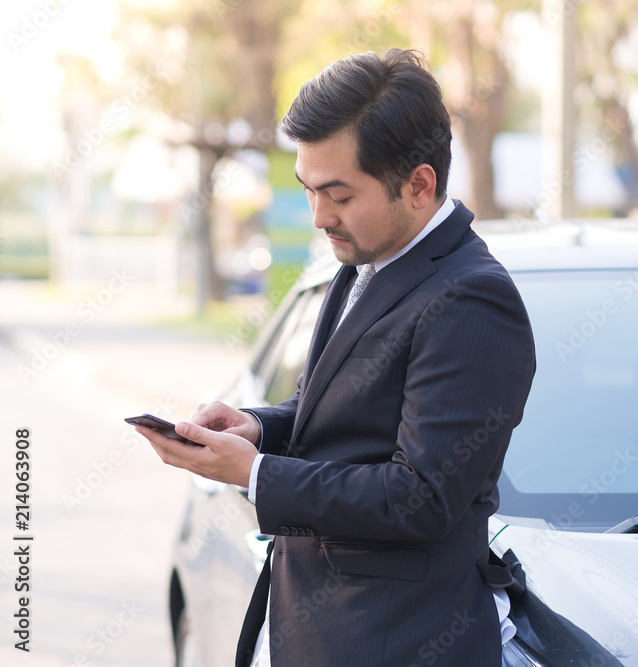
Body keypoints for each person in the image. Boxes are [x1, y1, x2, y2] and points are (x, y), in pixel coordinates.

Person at [136, 49, 535, 666]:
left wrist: (255, 474)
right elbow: (340, 414)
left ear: (420, 185)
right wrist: (258, 427)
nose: (320, 217)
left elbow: (420, 497)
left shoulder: (471, 298)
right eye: (309, 191)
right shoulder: (365, 260)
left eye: (339, 195)